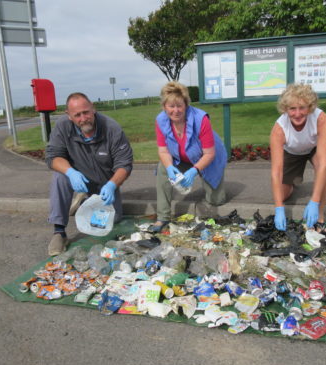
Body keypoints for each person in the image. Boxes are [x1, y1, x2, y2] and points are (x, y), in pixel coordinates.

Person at [45, 92, 133, 255]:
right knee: (60, 176)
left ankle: (83, 200)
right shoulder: (63, 126)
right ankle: (59, 232)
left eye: (86, 112)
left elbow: (124, 164)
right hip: (78, 177)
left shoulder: (111, 128)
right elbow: (53, 157)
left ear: (93, 108)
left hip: (104, 182)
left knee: (111, 220)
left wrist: (112, 184)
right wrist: (70, 172)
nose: (83, 118)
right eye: (77, 115)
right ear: (69, 116)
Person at [150, 81, 227, 232]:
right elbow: (163, 151)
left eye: (180, 105)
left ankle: (215, 188)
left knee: (216, 201)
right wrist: (170, 167)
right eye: (171, 106)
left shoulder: (201, 119)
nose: (176, 110)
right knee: (163, 168)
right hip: (181, 157)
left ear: (186, 104)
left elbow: (209, 154)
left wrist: (194, 170)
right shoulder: (160, 120)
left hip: (208, 158)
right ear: (164, 106)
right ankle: (163, 217)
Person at [270, 83, 326, 232]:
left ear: (310, 107)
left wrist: (314, 202)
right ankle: (293, 183)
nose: (297, 114)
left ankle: (320, 219)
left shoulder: (322, 119)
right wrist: (279, 208)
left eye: (302, 107)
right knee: (283, 194)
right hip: (292, 152)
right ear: (285, 109)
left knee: (323, 170)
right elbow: (276, 172)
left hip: (314, 147)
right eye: (292, 108)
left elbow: (323, 164)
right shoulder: (279, 129)